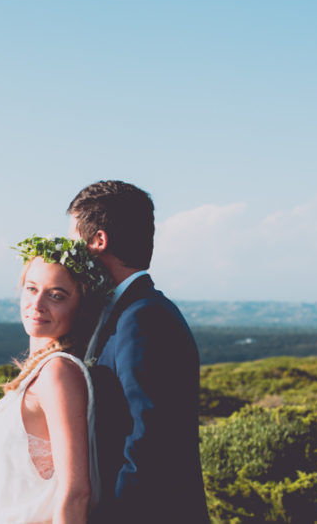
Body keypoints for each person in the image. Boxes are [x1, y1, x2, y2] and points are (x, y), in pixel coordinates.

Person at [67, 180, 210, 523]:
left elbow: (148, 445)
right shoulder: (126, 312)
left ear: (98, 241)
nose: (69, 254)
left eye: (74, 241)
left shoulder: (143, 319)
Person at [0, 235, 110, 524]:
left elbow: (76, 492)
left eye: (56, 295)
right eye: (32, 288)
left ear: (81, 307)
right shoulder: (41, 371)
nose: (37, 304)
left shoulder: (57, 373)